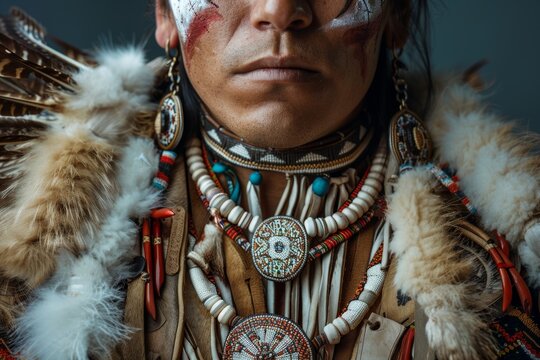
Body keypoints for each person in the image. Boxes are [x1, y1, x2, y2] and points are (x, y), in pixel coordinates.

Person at [0, 1, 539, 359]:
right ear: (166, 12)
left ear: (394, 17)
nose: (280, 11)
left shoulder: (506, 244)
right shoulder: (44, 230)